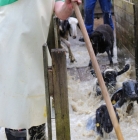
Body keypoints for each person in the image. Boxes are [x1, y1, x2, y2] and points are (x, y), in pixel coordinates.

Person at [0, 0, 81, 139]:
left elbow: (58, 9)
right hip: (8, 57)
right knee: (14, 115)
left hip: (36, 61)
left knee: (38, 113)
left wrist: (66, 7)